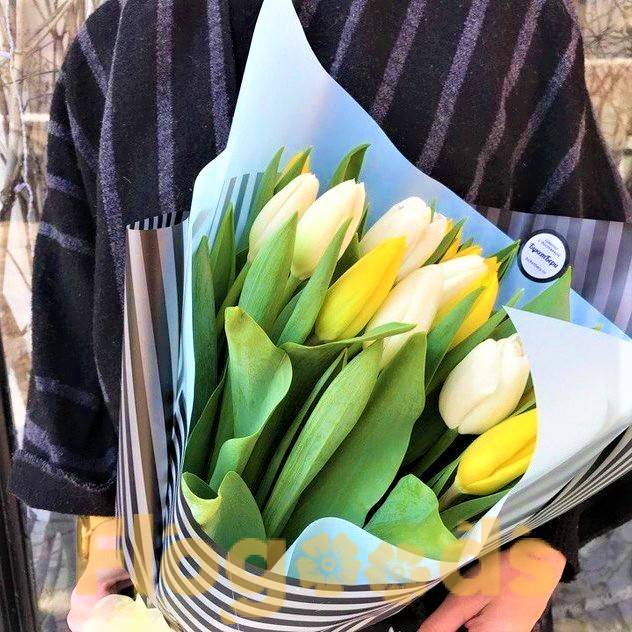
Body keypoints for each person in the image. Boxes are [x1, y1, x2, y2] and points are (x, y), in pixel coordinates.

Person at [10, 0, 632, 630]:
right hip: (170, 583)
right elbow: (79, 293)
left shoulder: (510, 24)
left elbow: (589, 287)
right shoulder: (122, 35)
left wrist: (546, 543)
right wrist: (106, 530)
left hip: (446, 596)